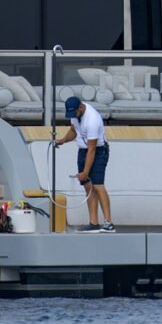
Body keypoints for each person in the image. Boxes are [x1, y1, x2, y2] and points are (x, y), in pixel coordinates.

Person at [56, 96, 114, 233]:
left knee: (98, 186)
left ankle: (109, 223)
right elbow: (73, 130)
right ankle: (93, 222)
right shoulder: (75, 115)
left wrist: (86, 172)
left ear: (80, 108)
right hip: (83, 151)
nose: (72, 116)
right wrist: (64, 140)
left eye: (74, 113)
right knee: (88, 187)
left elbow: (92, 149)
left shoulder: (92, 119)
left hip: (98, 151)